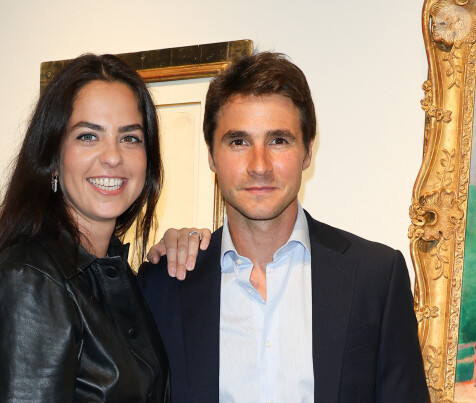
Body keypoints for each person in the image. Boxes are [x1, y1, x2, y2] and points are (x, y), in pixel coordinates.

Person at [140, 52, 429, 402]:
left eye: (278, 140)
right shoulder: (163, 285)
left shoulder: (375, 278)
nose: (259, 165)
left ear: (308, 151)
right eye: (238, 141)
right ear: (212, 156)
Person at [0, 53, 171, 401]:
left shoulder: (119, 277)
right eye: (88, 136)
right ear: (53, 159)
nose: (112, 156)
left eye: (130, 138)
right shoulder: (27, 283)